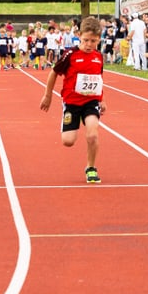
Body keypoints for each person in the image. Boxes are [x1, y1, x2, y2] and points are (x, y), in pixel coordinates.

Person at [40, 17, 106, 183]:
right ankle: (68, 121)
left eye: (94, 41)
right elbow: (54, 73)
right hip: (71, 102)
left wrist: (102, 99)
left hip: (91, 102)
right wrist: (47, 95)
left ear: (99, 39)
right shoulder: (70, 54)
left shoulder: (98, 56)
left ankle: (91, 168)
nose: (89, 44)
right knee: (68, 141)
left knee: (92, 135)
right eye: (86, 40)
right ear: (79, 35)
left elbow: (98, 78)